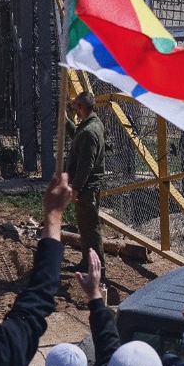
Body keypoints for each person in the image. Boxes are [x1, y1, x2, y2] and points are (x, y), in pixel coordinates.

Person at [66, 90, 107, 262]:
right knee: (85, 228)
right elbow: (78, 137)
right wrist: (67, 123)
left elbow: (85, 165)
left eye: (76, 106)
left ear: (81, 107)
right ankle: (87, 263)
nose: (74, 108)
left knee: (90, 229)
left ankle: (96, 267)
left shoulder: (90, 131)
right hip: (87, 187)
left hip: (87, 188)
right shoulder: (92, 124)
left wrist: (75, 188)